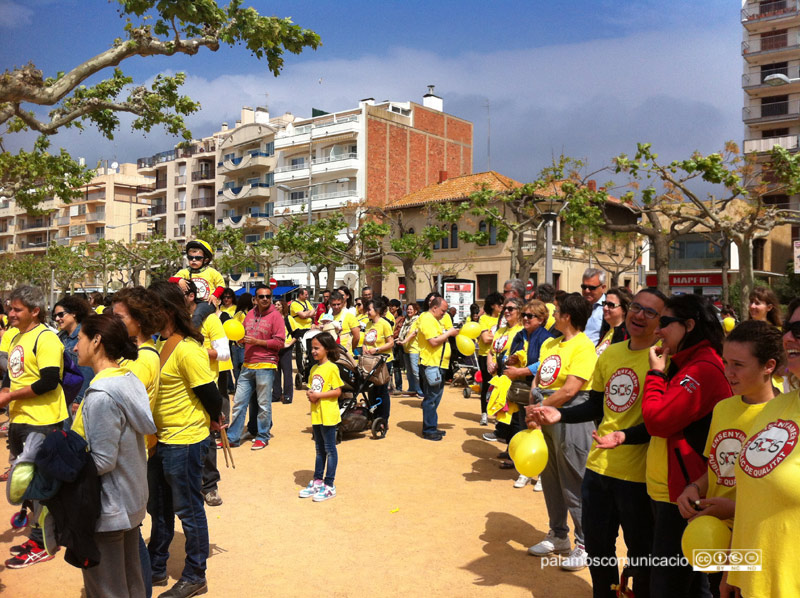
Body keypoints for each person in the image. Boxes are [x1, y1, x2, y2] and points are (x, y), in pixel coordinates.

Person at [528, 287, 667, 595]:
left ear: (662, 321)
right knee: (600, 553)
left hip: (639, 476)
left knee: (640, 554)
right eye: (637, 308)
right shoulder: (613, 352)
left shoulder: (665, 359)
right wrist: (559, 415)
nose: (639, 316)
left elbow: (661, 420)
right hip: (599, 468)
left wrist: (624, 437)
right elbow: (596, 406)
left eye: (650, 312)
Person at [642, 293, 731, 598]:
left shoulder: (701, 367)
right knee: (691, 584)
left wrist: (654, 373)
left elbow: (658, 421)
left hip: (684, 494)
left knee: (671, 585)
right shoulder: (689, 361)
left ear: (689, 325)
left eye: (664, 322)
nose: (657, 330)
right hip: (678, 490)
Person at [71, 314, 156, 598]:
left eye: (80, 339)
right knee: (132, 584)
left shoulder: (101, 395)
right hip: (130, 501)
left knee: (108, 590)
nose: (74, 347)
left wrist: (58, 468)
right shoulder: (128, 379)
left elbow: (102, 461)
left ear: (96, 341)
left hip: (107, 508)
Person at [146, 281, 222, 598]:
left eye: (149, 309)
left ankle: (195, 575)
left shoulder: (188, 349)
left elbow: (213, 398)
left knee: (189, 511)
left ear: (164, 311)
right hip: (160, 441)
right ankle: (156, 569)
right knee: (159, 509)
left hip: (185, 441)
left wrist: (212, 424)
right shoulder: (159, 344)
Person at [676, 320, 783, 532]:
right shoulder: (722, 408)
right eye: (726, 362)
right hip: (713, 531)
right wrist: (694, 487)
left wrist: (735, 509)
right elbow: (719, 468)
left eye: (738, 365)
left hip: (758, 534)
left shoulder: (786, 416)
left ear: (769, 366)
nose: (728, 372)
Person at [726, 297, 800, 597]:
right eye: (789, 328)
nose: (788, 336)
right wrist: (735, 572)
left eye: (799, 329)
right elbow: (753, 503)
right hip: (753, 585)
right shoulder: (774, 407)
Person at [525, 292, 597, 571]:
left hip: (571, 416)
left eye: (557, 311)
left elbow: (570, 389)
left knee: (575, 480)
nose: (553, 315)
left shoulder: (584, 346)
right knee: (552, 477)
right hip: (545, 412)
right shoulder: (551, 343)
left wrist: (539, 409)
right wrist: (534, 404)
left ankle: (584, 542)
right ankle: (558, 535)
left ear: (568, 316)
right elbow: (539, 377)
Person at [1, 285, 67, 569]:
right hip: (21, 420)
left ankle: (43, 543)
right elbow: (12, 376)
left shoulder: (46, 338)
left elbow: (49, 381)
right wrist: (7, 395)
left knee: (41, 484)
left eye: (17, 309)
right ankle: (40, 534)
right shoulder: (16, 335)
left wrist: (11, 396)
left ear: (35, 311)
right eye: (10, 308)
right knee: (26, 482)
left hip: (43, 421)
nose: (10, 313)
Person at [184, 281, 230, 507]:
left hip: (205, 385)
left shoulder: (211, 320)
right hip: (181, 389)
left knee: (209, 438)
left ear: (191, 296)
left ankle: (210, 486)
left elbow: (224, 353)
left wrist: (196, 352)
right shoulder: (176, 320)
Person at [225, 285, 285, 450]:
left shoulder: (276, 316)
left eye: (268, 296)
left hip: (266, 364)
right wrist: (240, 340)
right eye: (261, 296)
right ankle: (232, 437)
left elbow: (280, 342)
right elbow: (242, 334)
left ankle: (263, 436)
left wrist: (257, 342)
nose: (265, 299)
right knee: (239, 402)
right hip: (247, 364)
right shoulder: (250, 314)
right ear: (255, 299)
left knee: (263, 404)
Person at [502, 299, 553, 487]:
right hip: (520, 387)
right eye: (524, 314)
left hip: (538, 386)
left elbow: (543, 363)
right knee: (524, 424)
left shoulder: (546, 337)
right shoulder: (520, 334)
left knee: (540, 428)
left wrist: (520, 371)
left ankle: (541, 473)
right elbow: (509, 355)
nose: (525, 318)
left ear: (541, 319)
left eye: (530, 316)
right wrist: (511, 361)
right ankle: (525, 468)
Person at [298, 332, 343, 502]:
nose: (313, 351)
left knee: (330, 450)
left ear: (328, 349)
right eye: (312, 348)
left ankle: (329, 484)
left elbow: (338, 391)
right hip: (317, 414)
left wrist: (318, 395)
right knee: (319, 449)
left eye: (317, 348)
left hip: (329, 414)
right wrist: (310, 393)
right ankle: (318, 480)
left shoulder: (332, 368)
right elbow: (312, 387)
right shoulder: (314, 368)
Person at [484, 296, 525, 455]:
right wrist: (490, 362)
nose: (506, 311)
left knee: (514, 417)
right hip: (500, 376)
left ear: (519, 311)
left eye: (510, 309)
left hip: (513, 378)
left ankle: (513, 453)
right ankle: (509, 449)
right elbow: (491, 351)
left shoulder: (521, 330)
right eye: (505, 308)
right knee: (504, 415)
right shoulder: (500, 330)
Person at [417, 296, 459, 440]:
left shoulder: (434, 320)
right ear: (434, 307)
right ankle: (429, 429)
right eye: (443, 310)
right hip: (431, 363)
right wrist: (449, 333)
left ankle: (432, 425)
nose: (444, 314)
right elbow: (433, 341)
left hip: (439, 364)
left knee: (435, 397)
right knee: (431, 397)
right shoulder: (427, 319)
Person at [52, 295, 95, 419]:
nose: (57, 319)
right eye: (55, 316)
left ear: (74, 314)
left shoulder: (84, 335)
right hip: (63, 396)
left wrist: (78, 399)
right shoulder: (60, 337)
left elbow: (87, 370)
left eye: (61, 314)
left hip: (76, 398)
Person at [363, 297, 395, 424]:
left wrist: (377, 349)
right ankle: (373, 416)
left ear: (376, 310)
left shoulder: (385, 324)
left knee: (382, 391)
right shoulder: (369, 324)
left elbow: (391, 343)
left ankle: (383, 419)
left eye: (369, 309)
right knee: (371, 389)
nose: (367, 312)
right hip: (370, 362)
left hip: (383, 361)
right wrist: (365, 349)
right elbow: (365, 341)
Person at [169, 239, 225, 307]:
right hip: (190, 304)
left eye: (198, 258)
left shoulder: (212, 272)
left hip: (207, 303)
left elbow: (221, 285)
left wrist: (214, 295)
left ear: (205, 260)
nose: (193, 260)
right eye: (190, 257)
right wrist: (179, 280)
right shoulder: (185, 272)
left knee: (200, 313)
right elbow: (170, 280)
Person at [477, 292, 504, 426]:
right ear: (493, 305)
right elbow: (485, 339)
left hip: (499, 356)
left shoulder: (503, 319)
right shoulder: (484, 319)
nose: (503, 306)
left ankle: (499, 415)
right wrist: (502, 338)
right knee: (487, 385)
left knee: (499, 386)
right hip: (484, 355)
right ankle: (484, 414)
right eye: (500, 304)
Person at [595, 286, 633, 356]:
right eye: (605, 304)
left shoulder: (627, 335)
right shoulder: (606, 331)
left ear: (624, 310)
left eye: (611, 305)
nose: (605, 308)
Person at [271, 299, 296, 405]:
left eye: (279, 305)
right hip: (275, 349)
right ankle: (276, 394)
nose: (276, 306)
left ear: (283, 306)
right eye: (275, 304)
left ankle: (287, 395)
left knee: (287, 373)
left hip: (285, 349)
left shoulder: (288, 318)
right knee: (275, 373)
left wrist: (289, 344)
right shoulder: (272, 318)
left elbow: (296, 333)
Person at [397, 302, 422, 398]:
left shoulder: (417, 320)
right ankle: (412, 389)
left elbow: (414, 334)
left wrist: (403, 341)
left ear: (416, 311)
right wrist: (399, 339)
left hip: (414, 349)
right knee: (409, 371)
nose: (409, 311)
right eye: (408, 309)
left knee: (415, 371)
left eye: (411, 309)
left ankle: (420, 390)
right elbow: (404, 333)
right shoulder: (406, 320)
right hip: (406, 348)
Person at [289, 288, 314, 378]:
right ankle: (301, 370)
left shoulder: (307, 303)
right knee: (300, 350)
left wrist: (307, 314)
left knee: (310, 349)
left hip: (308, 328)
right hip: (299, 329)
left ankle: (310, 368)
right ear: (300, 295)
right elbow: (302, 315)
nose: (307, 296)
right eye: (306, 294)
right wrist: (307, 313)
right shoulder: (294, 304)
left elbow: (313, 311)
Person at [328, 291, 360, 355]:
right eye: (334, 304)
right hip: (330, 353)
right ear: (330, 304)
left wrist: (351, 349)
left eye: (338, 304)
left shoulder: (349, 316)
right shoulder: (326, 317)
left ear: (343, 303)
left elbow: (356, 337)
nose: (336, 307)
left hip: (345, 354)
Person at [581, 268, 607, 344]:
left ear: (603, 288)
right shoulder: (577, 305)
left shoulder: (609, 308)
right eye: (584, 287)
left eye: (592, 288)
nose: (587, 291)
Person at [389, 299, 405, 394]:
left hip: (396, 343)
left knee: (396, 366)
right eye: (390, 306)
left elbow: (398, 331)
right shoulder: (387, 317)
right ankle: (390, 386)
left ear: (397, 307)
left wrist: (391, 336)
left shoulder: (401, 318)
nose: (391, 308)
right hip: (388, 342)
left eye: (393, 306)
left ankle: (399, 387)